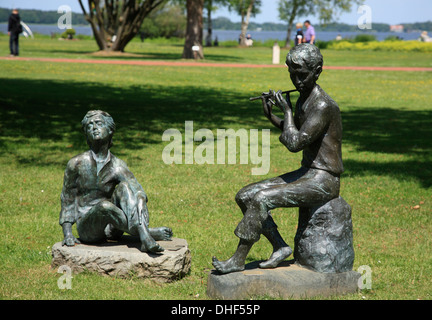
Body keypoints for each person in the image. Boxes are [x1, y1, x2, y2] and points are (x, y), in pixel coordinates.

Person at [212, 44, 343, 274]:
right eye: (292, 75)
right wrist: (271, 115)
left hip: (324, 180)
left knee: (261, 198)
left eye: (302, 75)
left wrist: (288, 112)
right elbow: (292, 132)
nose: (296, 81)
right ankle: (280, 246)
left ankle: (238, 259)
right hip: (308, 173)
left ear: (318, 71)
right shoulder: (305, 97)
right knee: (245, 195)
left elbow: (294, 143)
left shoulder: (322, 105)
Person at [59, 110, 173, 253]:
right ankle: (145, 233)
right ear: (86, 134)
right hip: (88, 228)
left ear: (110, 129)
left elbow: (136, 188)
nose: (94, 127)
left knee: (125, 187)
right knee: (104, 206)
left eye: (99, 123)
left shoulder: (117, 165)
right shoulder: (76, 164)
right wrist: (68, 233)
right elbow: (67, 199)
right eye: (89, 126)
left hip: (113, 229)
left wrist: (140, 198)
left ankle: (142, 232)